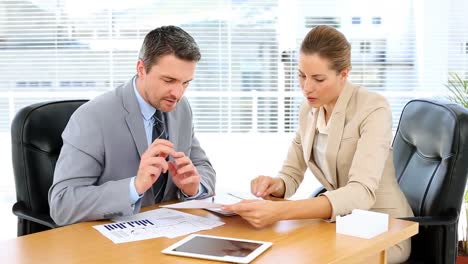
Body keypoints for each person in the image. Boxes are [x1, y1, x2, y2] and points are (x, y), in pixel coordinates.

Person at [222, 25, 413, 263]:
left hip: (381, 230)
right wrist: (275, 185)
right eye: (302, 75)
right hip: (339, 224)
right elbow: (291, 175)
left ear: (344, 73)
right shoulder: (309, 110)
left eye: (318, 79)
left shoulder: (373, 108)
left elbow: (361, 193)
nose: (306, 87)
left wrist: (280, 212)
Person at [49, 25, 216, 226]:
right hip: (110, 242)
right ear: (141, 69)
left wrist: (193, 187)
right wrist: (134, 186)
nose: (178, 93)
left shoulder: (181, 108)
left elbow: (203, 168)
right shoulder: (92, 117)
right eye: (169, 80)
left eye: (186, 83)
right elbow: (62, 205)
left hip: (167, 234)